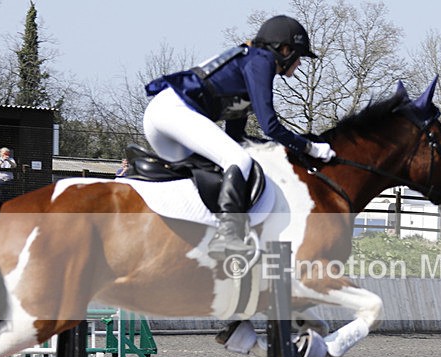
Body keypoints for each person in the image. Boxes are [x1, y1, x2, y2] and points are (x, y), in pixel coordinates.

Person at [143, 15, 336, 258]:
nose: (298, 63)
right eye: (298, 56)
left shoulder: (251, 63)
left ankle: (194, 237)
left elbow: (236, 135)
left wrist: (275, 149)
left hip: (164, 117)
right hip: (173, 112)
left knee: (212, 172)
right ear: (285, 50)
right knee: (240, 161)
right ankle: (227, 237)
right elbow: (271, 127)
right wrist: (310, 148)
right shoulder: (261, 62)